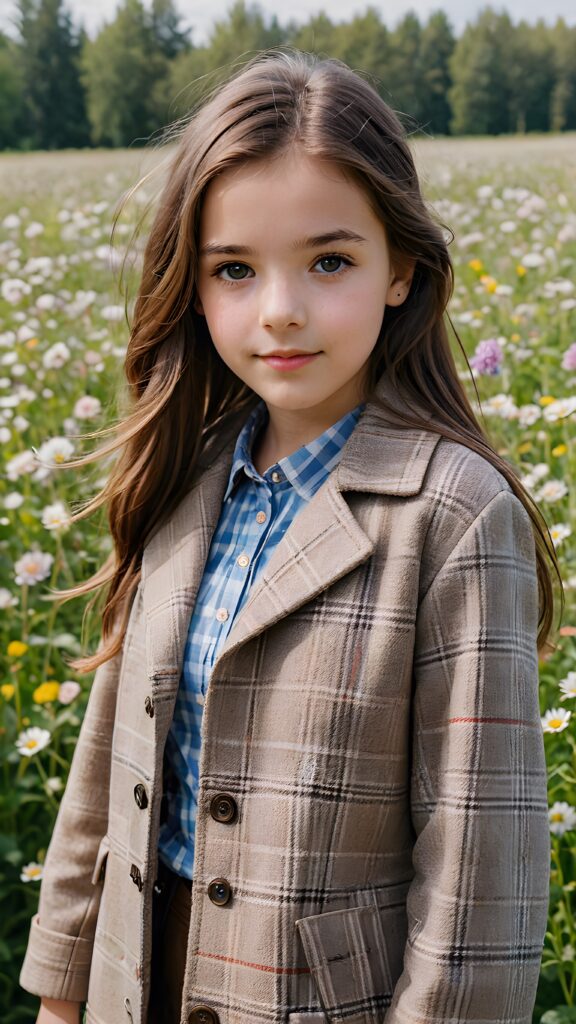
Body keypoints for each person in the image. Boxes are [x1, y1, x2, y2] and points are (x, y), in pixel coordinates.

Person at [20, 47, 557, 1024]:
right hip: (129, 979)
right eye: (234, 268)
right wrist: (60, 996)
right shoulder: (183, 470)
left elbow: (479, 886)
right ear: (193, 283)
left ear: (403, 267)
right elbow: (106, 773)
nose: (280, 309)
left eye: (330, 260)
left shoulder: (454, 511)